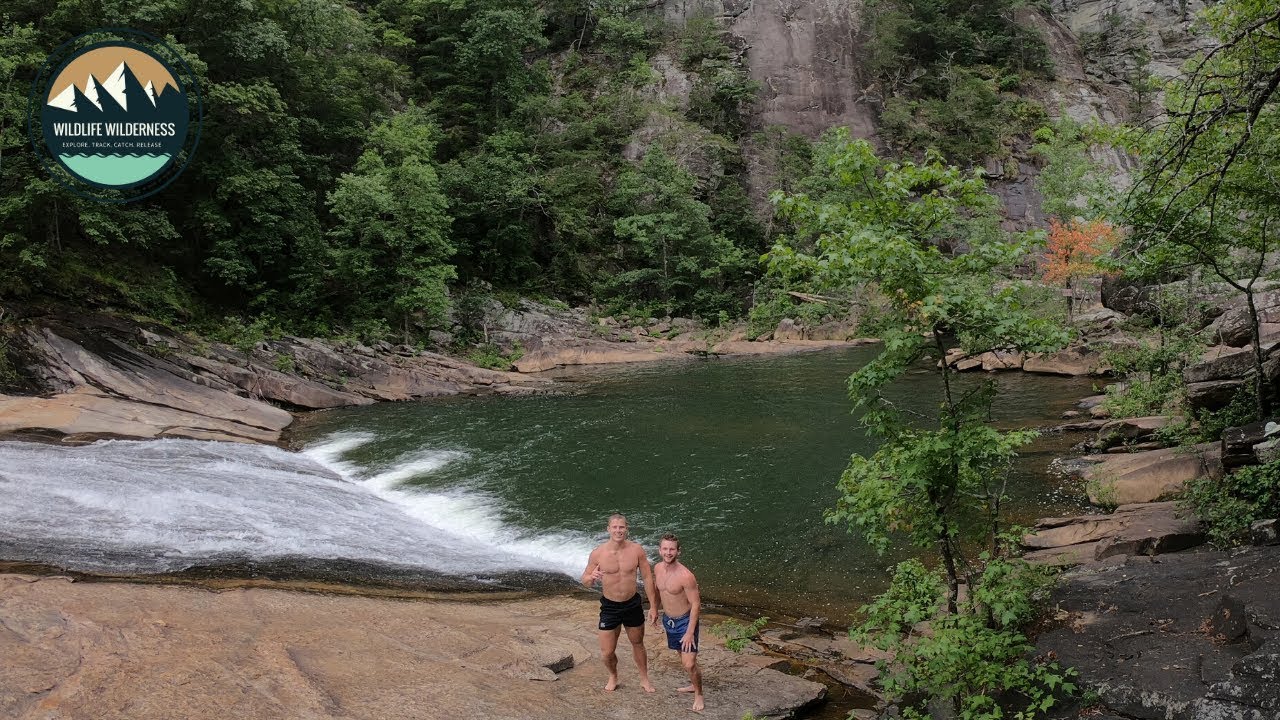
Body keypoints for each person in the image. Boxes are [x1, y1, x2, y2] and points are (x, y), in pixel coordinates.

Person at [581, 513, 658, 693]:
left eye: (621, 527)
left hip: (632, 604)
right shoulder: (598, 553)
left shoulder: (636, 550)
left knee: (637, 642)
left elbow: (647, 577)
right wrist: (591, 577)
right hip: (610, 606)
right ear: (608, 529)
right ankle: (613, 675)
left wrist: (653, 606)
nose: (618, 530)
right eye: (614, 527)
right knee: (607, 652)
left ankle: (644, 678)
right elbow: (584, 579)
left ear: (627, 528)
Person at [652, 533, 704, 712]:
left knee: (689, 663)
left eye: (672, 549)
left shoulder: (686, 576)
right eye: (665, 549)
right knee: (681, 657)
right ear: (660, 550)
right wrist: (654, 609)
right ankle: (692, 681)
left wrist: (690, 632)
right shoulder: (657, 568)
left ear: (678, 551)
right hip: (669, 621)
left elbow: (696, 604)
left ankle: (698, 694)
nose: (668, 552)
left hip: (685, 621)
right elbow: (659, 592)